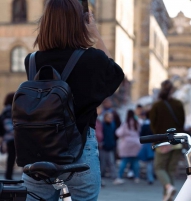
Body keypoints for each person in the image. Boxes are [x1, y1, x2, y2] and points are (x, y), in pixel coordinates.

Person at [21, 0, 124, 200]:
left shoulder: (32, 60)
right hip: (79, 152)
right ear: (80, 23)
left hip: (38, 154)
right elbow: (115, 75)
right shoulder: (92, 59)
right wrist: (95, 34)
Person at [150, 80, 185, 201]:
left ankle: (169, 187)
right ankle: (167, 197)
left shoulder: (156, 106)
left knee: (159, 168)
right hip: (176, 142)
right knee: (170, 170)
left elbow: (153, 125)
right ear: (172, 90)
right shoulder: (179, 104)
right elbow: (182, 122)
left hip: (162, 141)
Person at [114, 110, 141, 185]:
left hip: (126, 144)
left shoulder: (125, 123)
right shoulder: (137, 122)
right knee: (135, 161)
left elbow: (119, 133)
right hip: (136, 143)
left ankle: (119, 177)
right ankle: (137, 177)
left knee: (124, 161)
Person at [0, 92, 16, 180]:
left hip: (8, 138)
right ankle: (8, 176)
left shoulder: (6, 109)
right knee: (12, 157)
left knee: (12, 157)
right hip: (11, 138)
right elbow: (8, 125)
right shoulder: (10, 110)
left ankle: (9, 176)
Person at [99, 112, 118, 181]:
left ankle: (114, 176)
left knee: (111, 162)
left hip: (110, 146)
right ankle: (101, 176)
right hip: (103, 146)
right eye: (109, 117)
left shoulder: (112, 125)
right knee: (102, 163)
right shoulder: (102, 125)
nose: (110, 119)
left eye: (111, 117)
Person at [138, 111, 155, 184]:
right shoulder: (154, 125)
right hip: (154, 143)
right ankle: (151, 176)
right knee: (152, 162)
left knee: (149, 163)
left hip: (146, 144)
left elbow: (141, 134)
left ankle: (150, 177)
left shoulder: (145, 125)